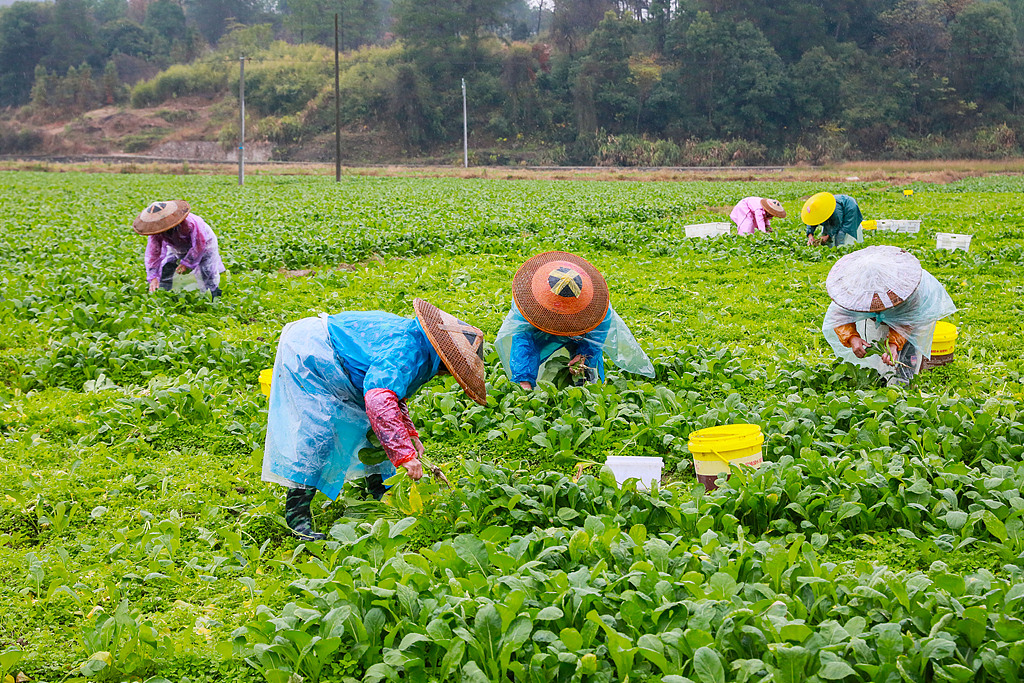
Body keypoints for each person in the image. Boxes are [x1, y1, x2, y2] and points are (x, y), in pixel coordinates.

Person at [261, 298, 486, 540]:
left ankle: (380, 496)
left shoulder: (421, 347)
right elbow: (380, 400)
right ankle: (297, 518)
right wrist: (405, 455)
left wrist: (410, 435)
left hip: (334, 354)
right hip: (311, 351)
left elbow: (394, 394)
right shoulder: (409, 350)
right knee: (320, 431)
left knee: (378, 429)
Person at [494, 251, 655, 390]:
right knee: (524, 372)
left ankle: (586, 393)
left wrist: (584, 355)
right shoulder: (530, 302)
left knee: (587, 375)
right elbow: (523, 341)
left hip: (580, 334)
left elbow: (596, 339)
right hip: (538, 331)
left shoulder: (597, 309)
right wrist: (524, 380)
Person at [822, 245, 956, 387]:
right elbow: (839, 315)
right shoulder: (851, 289)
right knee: (877, 348)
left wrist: (894, 344)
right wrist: (852, 337)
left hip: (912, 317)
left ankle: (904, 389)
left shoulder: (911, 292)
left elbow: (906, 321)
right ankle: (881, 380)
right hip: (884, 315)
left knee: (908, 355)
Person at [133, 200, 225, 298]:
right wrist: (153, 277)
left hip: (206, 243)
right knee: (167, 265)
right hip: (176, 245)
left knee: (207, 270)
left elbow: (199, 245)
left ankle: (213, 295)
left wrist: (187, 262)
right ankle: (163, 292)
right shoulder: (156, 231)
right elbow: (153, 253)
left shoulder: (192, 224)